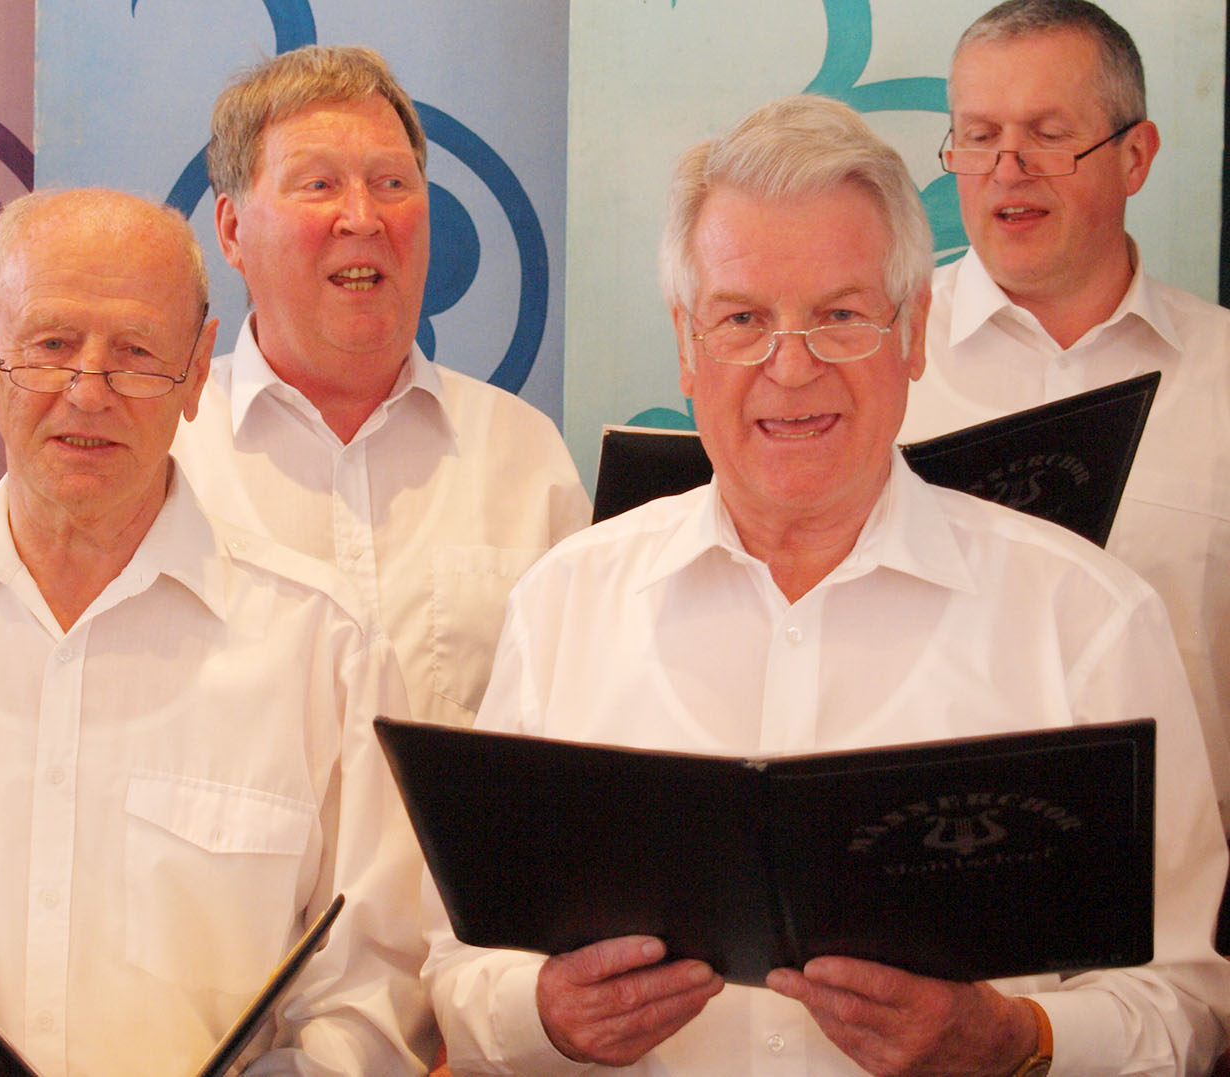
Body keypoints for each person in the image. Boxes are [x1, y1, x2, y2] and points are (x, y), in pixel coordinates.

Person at [422, 95, 1230, 1075]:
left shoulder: (1086, 617)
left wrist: (1015, 1041)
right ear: (685, 344)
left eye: (840, 316)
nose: (792, 366)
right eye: (743, 319)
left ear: (914, 332)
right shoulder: (564, 605)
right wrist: (543, 1016)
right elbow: (461, 964)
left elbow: (1189, 1004)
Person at [0, 188, 435, 1076]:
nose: (89, 392)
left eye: (137, 353)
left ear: (196, 373)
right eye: (51, 345)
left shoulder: (326, 652)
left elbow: (376, 997)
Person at [171, 45, 590, 731]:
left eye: (392, 183)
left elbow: (577, 728)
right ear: (232, 230)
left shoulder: (525, 453)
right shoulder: (165, 453)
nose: (363, 217)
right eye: (319, 185)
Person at [900, 0, 1230, 836]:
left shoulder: (1222, 373)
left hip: (1183, 871)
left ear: (1135, 155)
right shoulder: (872, 356)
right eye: (979, 137)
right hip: (921, 851)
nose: (1007, 171)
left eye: (1048, 135)